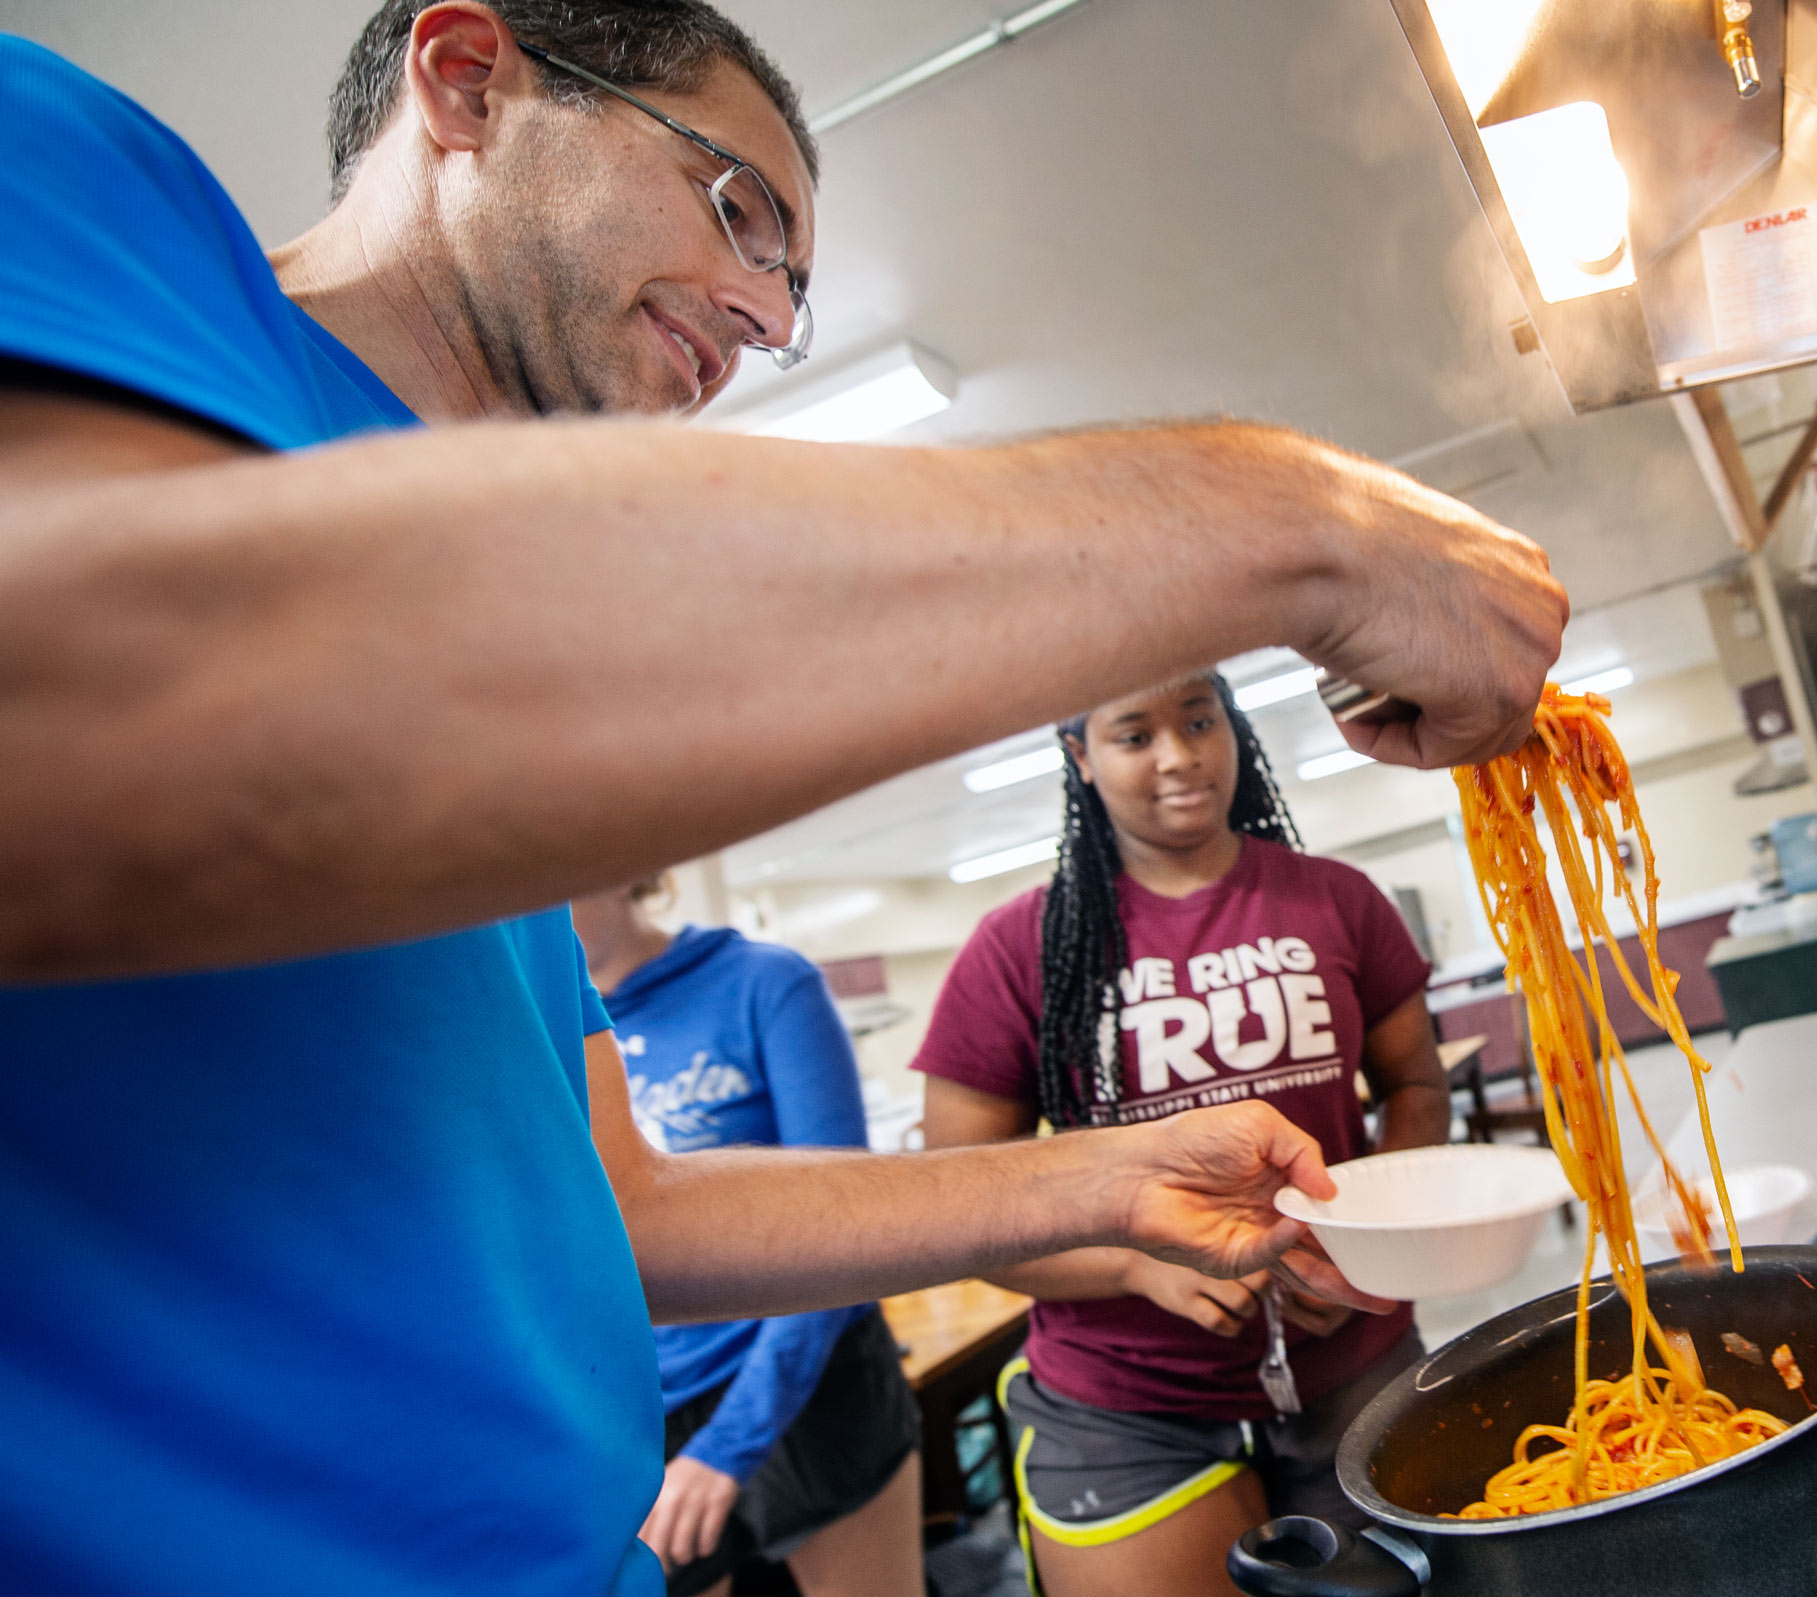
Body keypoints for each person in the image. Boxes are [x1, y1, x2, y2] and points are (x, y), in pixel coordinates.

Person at [0, 1, 1566, 1592]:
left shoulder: (485, 781)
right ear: (467, 78)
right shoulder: (69, 171)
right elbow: (81, 705)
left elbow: (631, 1210)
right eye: (737, 209)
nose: (757, 315)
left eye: (793, 297)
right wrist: (1299, 524)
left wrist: (1101, 1176)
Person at [916, 673, 1454, 1596]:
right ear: (1081, 756)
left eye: (1200, 720)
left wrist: (1372, 1240)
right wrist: (1135, 1265)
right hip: (1125, 1398)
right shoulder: (1017, 949)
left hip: (1353, 1354)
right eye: (1134, 734)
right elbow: (963, 1202)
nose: (1179, 755)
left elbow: (1415, 1082)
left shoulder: (1333, 898)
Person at [574, 878, 924, 1597]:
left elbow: (844, 1233)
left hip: (806, 1370)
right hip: (652, 1408)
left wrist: (730, 1446)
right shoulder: (543, 1038)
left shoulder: (761, 983)